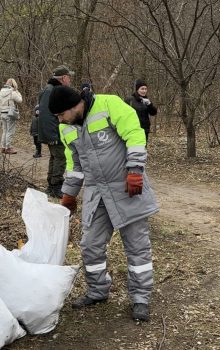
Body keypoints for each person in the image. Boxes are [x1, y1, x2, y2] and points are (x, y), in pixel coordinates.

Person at [49, 85, 159, 321]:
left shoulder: (109, 105)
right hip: (97, 194)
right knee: (90, 245)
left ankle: (140, 298)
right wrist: (69, 194)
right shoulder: (66, 128)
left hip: (128, 187)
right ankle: (98, 291)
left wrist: (135, 170)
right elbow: (74, 164)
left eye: (61, 115)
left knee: (137, 248)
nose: (59, 120)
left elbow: (135, 134)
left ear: (74, 106)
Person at [38, 65, 74, 198]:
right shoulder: (54, 91)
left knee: (55, 157)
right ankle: (56, 186)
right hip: (54, 131)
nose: (70, 80)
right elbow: (48, 115)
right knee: (61, 157)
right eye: (69, 77)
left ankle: (51, 184)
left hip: (51, 131)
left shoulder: (48, 89)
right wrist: (53, 135)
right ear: (63, 78)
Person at [0, 78, 22, 154]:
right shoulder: (12, 92)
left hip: (2, 113)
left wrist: (0, 113)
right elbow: (20, 100)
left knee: (4, 131)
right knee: (10, 131)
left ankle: (3, 147)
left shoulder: (1, 91)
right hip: (10, 113)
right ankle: (8, 147)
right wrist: (17, 91)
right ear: (13, 84)